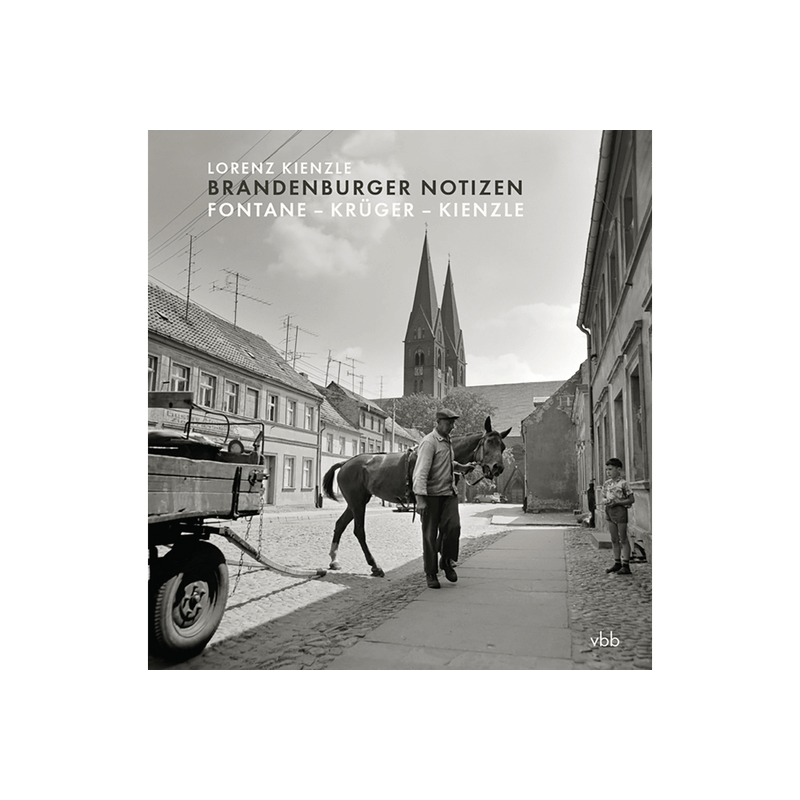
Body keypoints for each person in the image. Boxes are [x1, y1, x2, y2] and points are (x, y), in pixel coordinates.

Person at [412, 408, 476, 589]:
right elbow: (421, 471)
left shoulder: (448, 442)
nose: (452, 426)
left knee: (454, 528)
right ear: (438, 423)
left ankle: (446, 562)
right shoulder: (429, 442)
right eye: (449, 423)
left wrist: (462, 467)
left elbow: (447, 463)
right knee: (430, 536)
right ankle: (431, 573)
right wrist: (420, 499)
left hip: (448, 494)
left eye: (453, 423)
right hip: (431, 497)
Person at [599, 458, 635, 575]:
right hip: (609, 510)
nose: (608, 472)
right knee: (614, 538)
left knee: (623, 538)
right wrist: (606, 501)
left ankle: (626, 564)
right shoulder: (606, 484)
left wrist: (618, 502)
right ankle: (617, 562)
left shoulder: (623, 483)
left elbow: (631, 499)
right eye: (607, 470)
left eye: (610, 469)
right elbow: (603, 497)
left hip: (620, 511)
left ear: (618, 469)